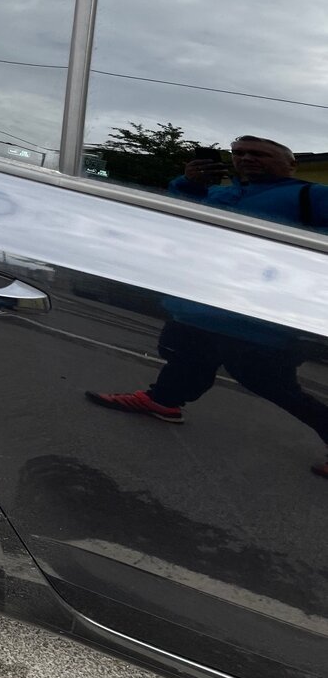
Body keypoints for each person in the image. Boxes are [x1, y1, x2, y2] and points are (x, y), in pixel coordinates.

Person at [87, 136, 328, 479]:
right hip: (200, 303)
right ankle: (162, 401)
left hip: (257, 317)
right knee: (185, 356)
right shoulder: (219, 192)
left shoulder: (312, 195)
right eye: (239, 153)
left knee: (269, 383)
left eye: (258, 153)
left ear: (291, 164)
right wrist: (189, 183)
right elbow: (179, 220)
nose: (246, 158)